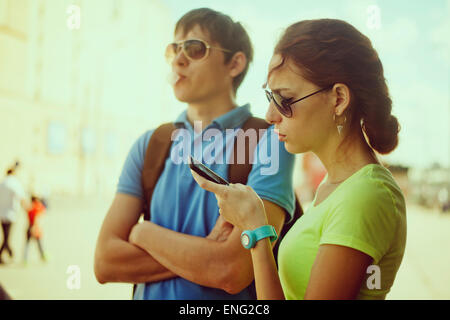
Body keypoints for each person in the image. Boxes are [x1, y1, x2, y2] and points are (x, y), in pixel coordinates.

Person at [192, 18, 407, 300]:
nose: (270, 115)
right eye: (270, 97)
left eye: (284, 99)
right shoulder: (335, 187)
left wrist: (257, 232)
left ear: (339, 99)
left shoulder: (365, 195)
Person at [94, 8, 296, 300]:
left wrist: (144, 234)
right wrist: (203, 257)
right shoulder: (150, 144)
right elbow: (105, 261)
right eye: (174, 49)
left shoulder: (270, 139)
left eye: (194, 48)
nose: (178, 59)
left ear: (235, 63)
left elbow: (231, 270)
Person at [0, 165, 28, 264]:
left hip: (2, 213)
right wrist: (28, 209)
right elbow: (21, 197)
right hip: (10, 214)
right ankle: (8, 252)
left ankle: (9, 252)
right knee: (7, 236)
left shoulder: (2, 183)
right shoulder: (14, 183)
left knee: (6, 235)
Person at [23, 195, 47, 263]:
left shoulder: (30, 207)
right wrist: (35, 227)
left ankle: (25, 259)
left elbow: (24, 207)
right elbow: (37, 218)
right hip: (35, 227)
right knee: (39, 243)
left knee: (27, 244)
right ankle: (43, 256)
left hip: (29, 226)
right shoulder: (38, 207)